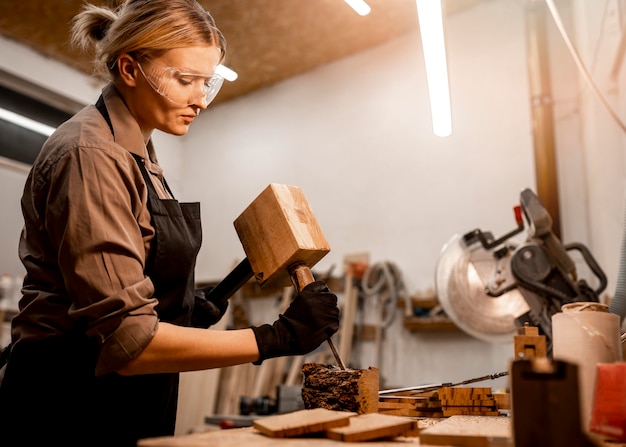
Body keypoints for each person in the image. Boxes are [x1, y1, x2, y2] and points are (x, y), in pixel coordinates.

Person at [0, 0, 340, 445]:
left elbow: (132, 276)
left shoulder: (141, 150)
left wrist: (183, 306)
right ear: (128, 69)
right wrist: (275, 337)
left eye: (207, 83)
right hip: (70, 406)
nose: (200, 99)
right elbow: (129, 340)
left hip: (130, 398)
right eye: (185, 81)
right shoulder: (92, 155)